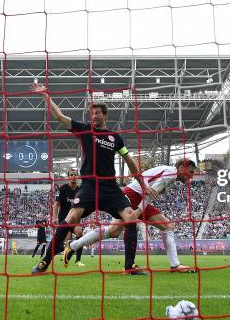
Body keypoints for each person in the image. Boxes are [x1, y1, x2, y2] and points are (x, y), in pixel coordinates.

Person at [30, 82, 157, 274]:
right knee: (71, 217)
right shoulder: (85, 130)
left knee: (131, 218)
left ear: (105, 115)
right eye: (93, 114)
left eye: (98, 113)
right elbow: (60, 117)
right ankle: (45, 261)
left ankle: (129, 267)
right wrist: (46, 96)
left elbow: (129, 161)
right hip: (89, 186)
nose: (95, 116)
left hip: (110, 188)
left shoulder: (115, 138)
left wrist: (143, 184)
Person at [64, 159, 197, 273]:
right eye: (190, 172)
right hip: (133, 196)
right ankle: (174, 265)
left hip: (133, 195)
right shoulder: (171, 174)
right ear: (181, 167)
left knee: (114, 231)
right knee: (167, 226)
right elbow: (148, 195)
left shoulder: (168, 172)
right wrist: (138, 212)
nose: (191, 176)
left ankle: (73, 246)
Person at [54, 169, 85, 266]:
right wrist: (54, 218)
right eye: (71, 174)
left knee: (79, 233)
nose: (73, 176)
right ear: (68, 177)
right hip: (65, 219)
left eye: (75, 174)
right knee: (68, 238)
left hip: (75, 219)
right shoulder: (62, 188)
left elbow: (84, 205)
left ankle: (78, 260)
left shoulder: (80, 190)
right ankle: (63, 255)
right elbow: (56, 204)